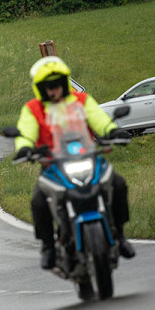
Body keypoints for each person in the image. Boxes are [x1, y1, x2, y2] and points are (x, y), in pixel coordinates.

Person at [15, 56, 135, 270]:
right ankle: (48, 246)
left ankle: (120, 234)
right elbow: (25, 132)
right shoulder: (32, 109)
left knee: (117, 184)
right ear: (40, 88)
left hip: (88, 159)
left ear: (64, 83)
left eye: (57, 85)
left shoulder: (81, 101)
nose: (54, 91)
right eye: (48, 87)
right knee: (38, 202)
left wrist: (112, 131)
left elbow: (99, 118)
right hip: (53, 166)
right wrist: (24, 148)